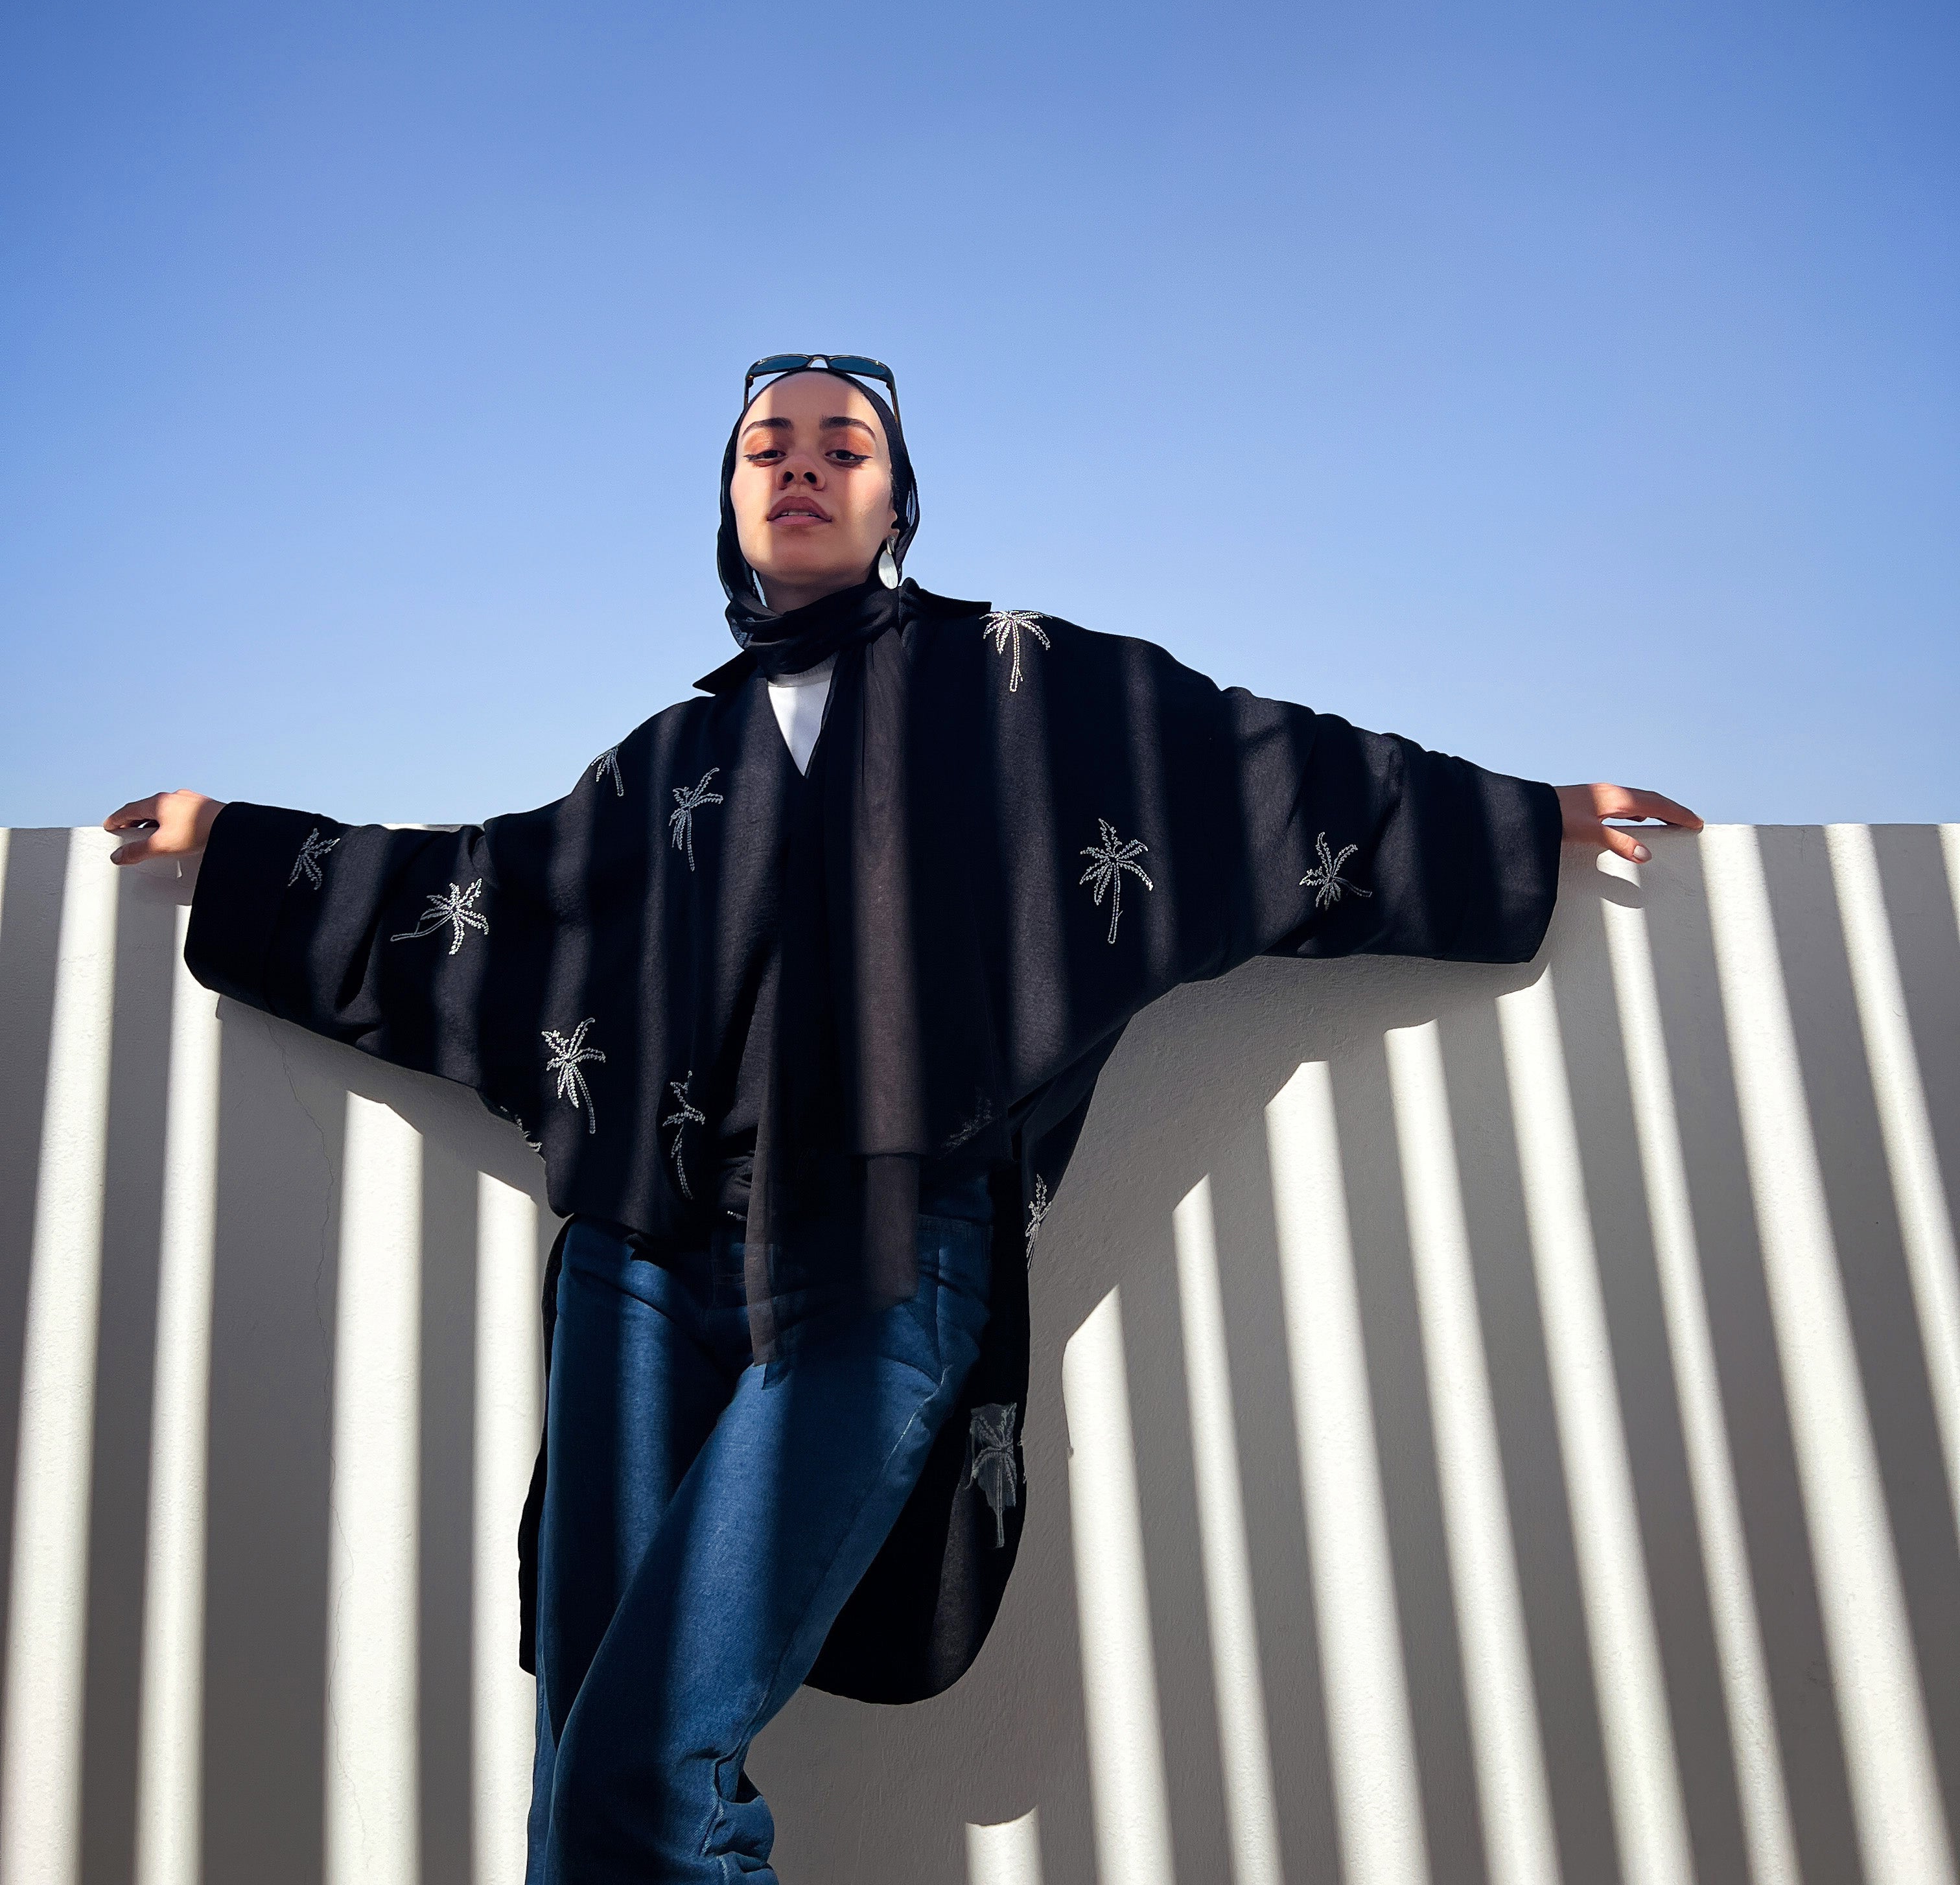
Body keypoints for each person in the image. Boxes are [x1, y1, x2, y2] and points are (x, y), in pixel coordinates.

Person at [106, 351, 1699, 1885]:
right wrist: (241, 851)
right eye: (765, 449)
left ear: (896, 503)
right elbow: (478, 900)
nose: (800, 465)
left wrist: (1522, 822)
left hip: (878, 1263)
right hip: (640, 1269)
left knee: (642, 1772)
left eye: (841, 447)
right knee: (580, 1756)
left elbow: (1247, 777)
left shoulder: (1021, 687)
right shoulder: (667, 759)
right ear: (728, 500)